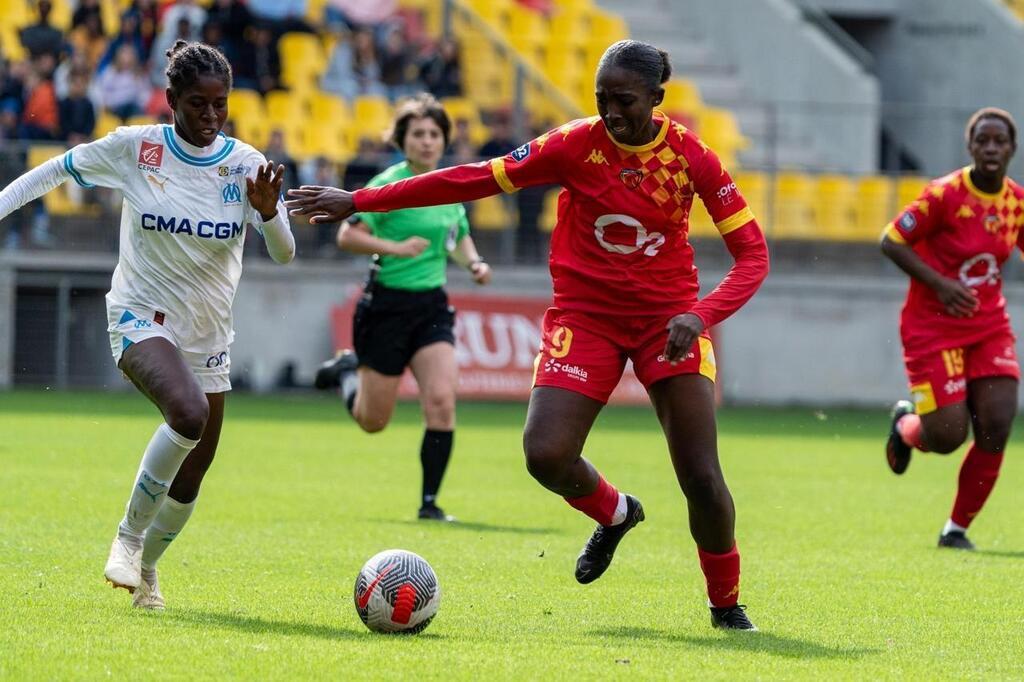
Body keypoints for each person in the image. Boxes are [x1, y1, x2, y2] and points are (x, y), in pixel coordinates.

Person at [287, 41, 768, 630]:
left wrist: (701, 314)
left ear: (656, 99)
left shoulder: (693, 159)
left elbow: (753, 256)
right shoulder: (573, 144)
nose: (611, 113)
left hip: (668, 322)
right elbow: (468, 181)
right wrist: (358, 199)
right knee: (545, 455)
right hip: (584, 317)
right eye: (601, 99)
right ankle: (616, 514)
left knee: (700, 475)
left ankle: (726, 606)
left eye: (624, 101)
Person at [0, 41, 295, 609]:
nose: (210, 118)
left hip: (208, 334)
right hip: (139, 314)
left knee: (191, 478)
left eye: (220, 105)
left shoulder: (245, 165)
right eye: (197, 105)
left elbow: (283, 254)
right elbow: (53, 171)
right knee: (188, 414)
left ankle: (149, 570)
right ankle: (128, 538)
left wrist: (265, 211)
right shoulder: (137, 149)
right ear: (170, 101)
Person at [312, 93, 492, 522]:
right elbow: (347, 237)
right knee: (373, 422)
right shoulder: (387, 184)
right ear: (402, 140)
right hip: (385, 308)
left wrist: (475, 262)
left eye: (434, 134)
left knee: (442, 401)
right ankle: (349, 372)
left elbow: (458, 235)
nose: (427, 142)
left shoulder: (451, 186)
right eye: (418, 134)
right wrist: (395, 247)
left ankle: (430, 504)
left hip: (431, 307)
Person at [882, 107, 1022, 551]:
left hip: (988, 325)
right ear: (971, 146)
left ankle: (955, 530)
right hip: (932, 327)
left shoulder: (1016, 202)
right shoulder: (943, 195)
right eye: (983, 140)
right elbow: (891, 240)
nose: (991, 148)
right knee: (945, 437)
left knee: (997, 424)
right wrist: (941, 285)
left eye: (1000, 141)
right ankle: (906, 423)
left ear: (1012, 149)